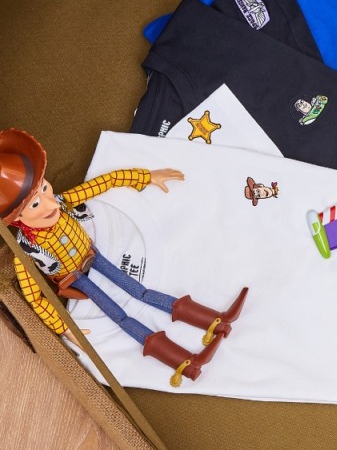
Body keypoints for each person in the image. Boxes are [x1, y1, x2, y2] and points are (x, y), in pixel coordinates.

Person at [0, 128, 247, 387]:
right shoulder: (26, 249)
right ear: (17, 218)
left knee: (141, 292)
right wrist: (65, 328)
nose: (50, 203)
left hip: (93, 255)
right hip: (76, 279)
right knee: (120, 316)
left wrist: (146, 176)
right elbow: (35, 298)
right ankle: (187, 363)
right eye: (35, 204)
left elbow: (103, 183)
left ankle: (217, 321)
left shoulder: (62, 202)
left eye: (45, 188)